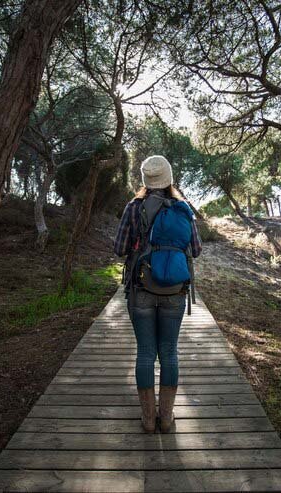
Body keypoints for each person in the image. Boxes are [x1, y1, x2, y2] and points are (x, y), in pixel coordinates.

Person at [114, 155, 202, 433]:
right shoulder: (183, 208)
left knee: (145, 353)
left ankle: (148, 419)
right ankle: (167, 418)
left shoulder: (134, 207)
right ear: (169, 178)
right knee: (169, 353)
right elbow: (196, 249)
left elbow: (119, 248)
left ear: (145, 180)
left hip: (140, 288)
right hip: (175, 291)